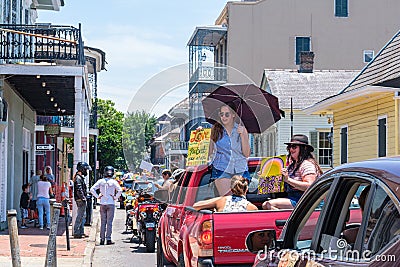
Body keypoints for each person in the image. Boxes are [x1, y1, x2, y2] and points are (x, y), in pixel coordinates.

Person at [262, 134, 322, 210]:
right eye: (289, 147)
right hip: (294, 198)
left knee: (268, 204)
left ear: (304, 148)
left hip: (306, 200)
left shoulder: (307, 164)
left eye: (294, 147)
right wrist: (265, 176)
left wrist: (288, 180)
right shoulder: (292, 165)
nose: (291, 149)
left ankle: (287, 221)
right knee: (267, 204)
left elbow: (309, 186)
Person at [209, 103, 251, 196]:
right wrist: (202, 138)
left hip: (240, 169)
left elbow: (246, 154)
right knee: (227, 200)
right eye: (221, 114)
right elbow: (209, 152)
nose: (224, 117)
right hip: (221, 168)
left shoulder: (242, 129)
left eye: (227, 114)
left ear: (233, 114)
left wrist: (243, 135)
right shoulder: (215, 130)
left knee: (240, 201)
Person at [90, 166, 122, 245]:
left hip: (102, 203)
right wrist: (115, 197)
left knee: (103, 222)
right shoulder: (114, 182)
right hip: (111, 203)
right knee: (109, 222)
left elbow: (92, 189)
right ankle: (108, 239)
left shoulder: (101, 181)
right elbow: (120, 190)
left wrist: (98, 196)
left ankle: (102, 239)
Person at [193, 175, 257, 212]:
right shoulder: (252, 208)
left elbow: (196, 206)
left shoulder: (221, 201)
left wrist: (211, 208)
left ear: (231, 189)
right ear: (246, 189)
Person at [73, 161, 91, 238]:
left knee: (82, 216)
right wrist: (83, 198)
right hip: (80, 200)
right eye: (85, 169)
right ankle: (77, 232)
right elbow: (79, 189)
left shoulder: (79, 177)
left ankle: (81, 231)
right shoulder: (78, 178)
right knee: (80, 216)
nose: (86, 171)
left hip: (81, 199)